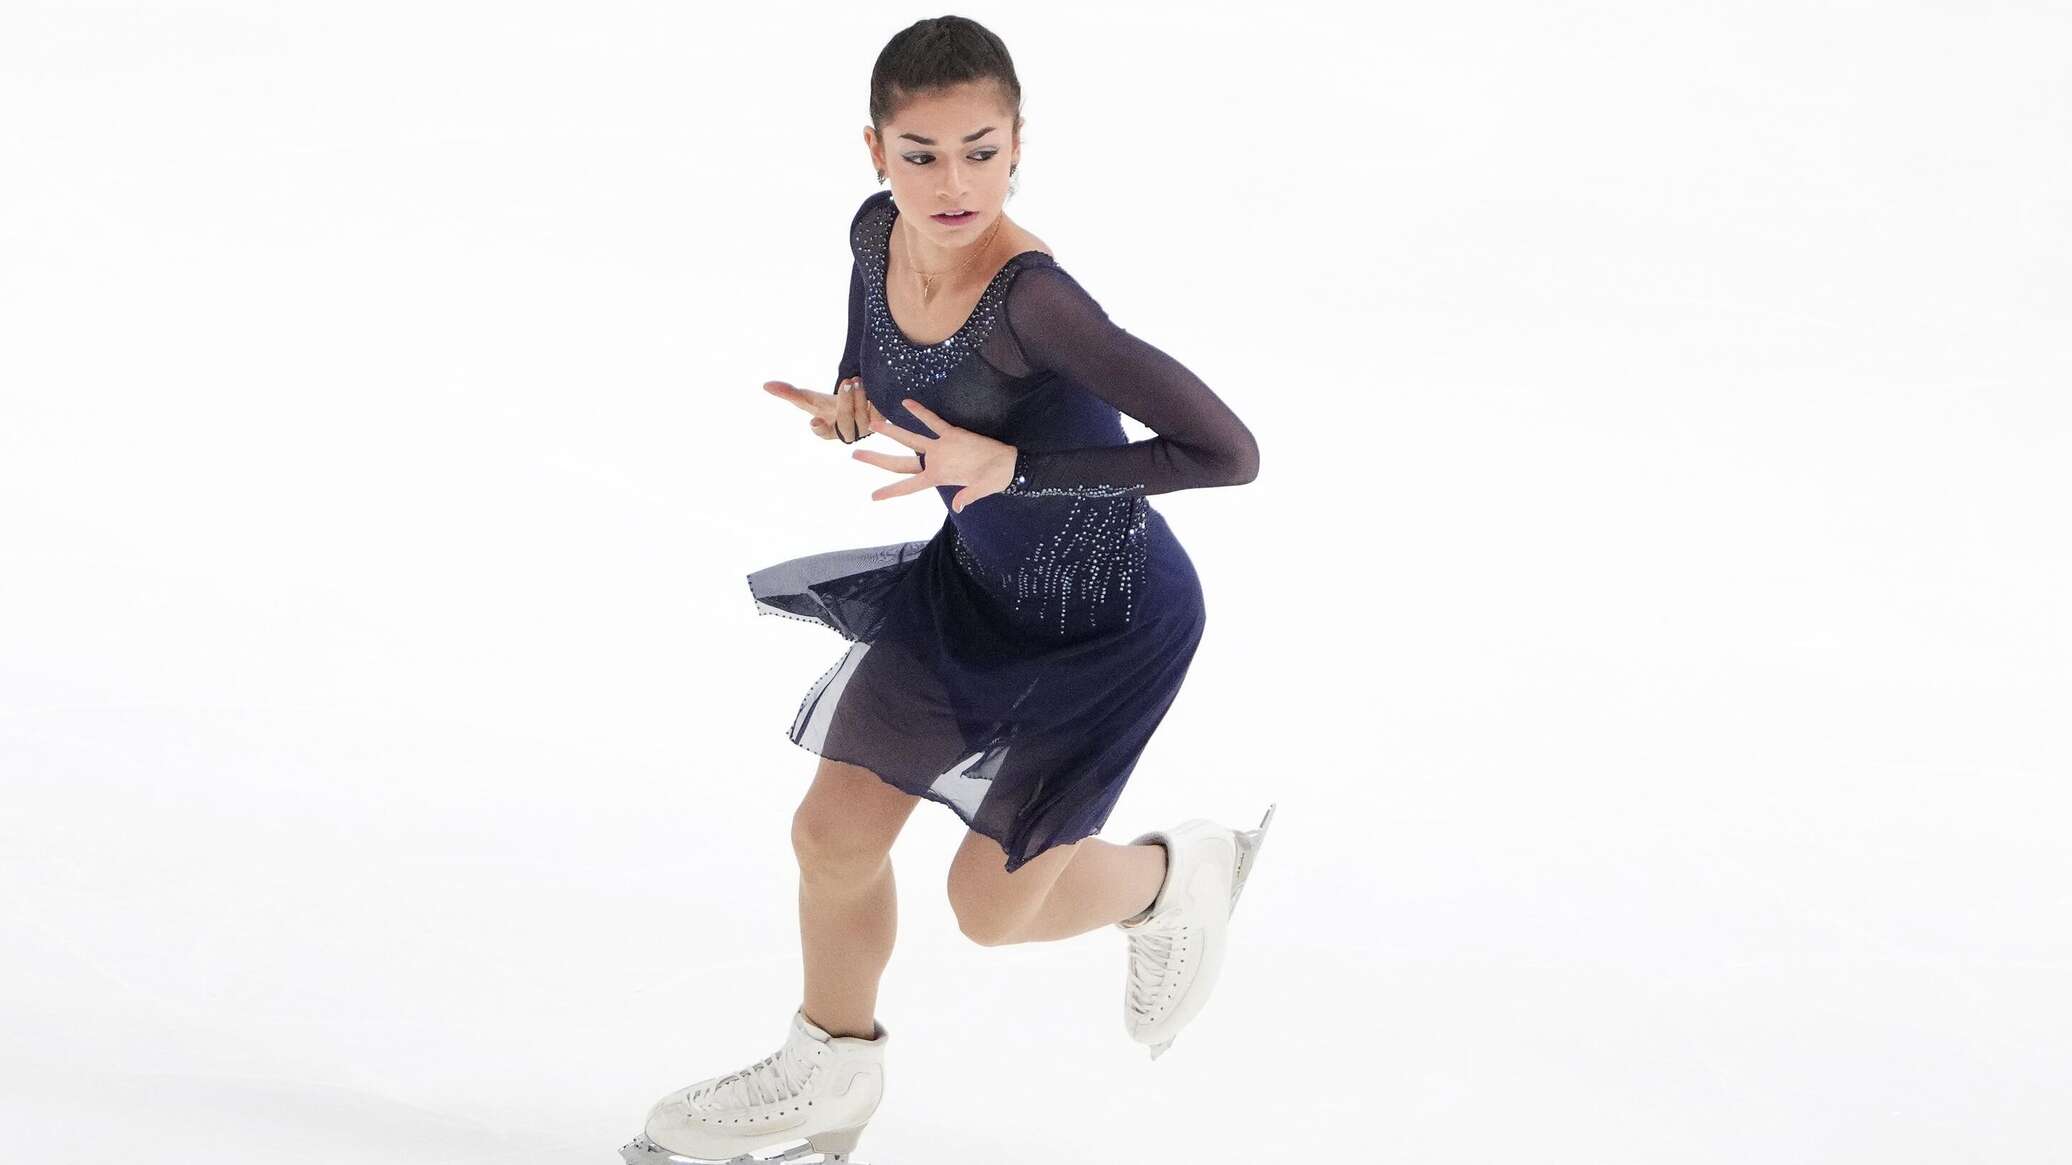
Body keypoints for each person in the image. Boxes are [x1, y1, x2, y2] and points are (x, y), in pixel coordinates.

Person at [623, 16, 1275, 1165]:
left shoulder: (1034, 301)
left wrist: (1012, 464)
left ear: (1018, 144)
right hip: (975, 590)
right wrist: (848, 398)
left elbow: (1227, 452)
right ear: (874, 150)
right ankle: (830, 1072)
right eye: (920, 154)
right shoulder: (876, 233)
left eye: (980, 151)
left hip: (1106, 620)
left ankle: (1175, 875)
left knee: (990, 913)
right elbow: (871, 341)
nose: (952, 184)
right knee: (830, 835)